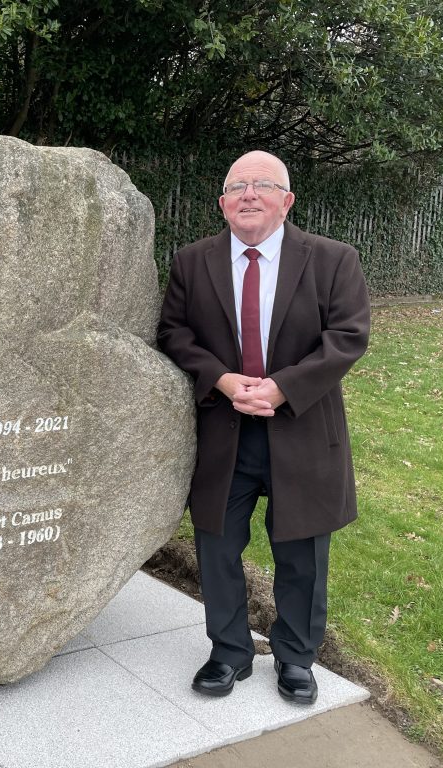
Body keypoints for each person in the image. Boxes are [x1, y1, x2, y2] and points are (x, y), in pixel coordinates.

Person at [157, 151, 370, 704]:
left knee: (301, 552)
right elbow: (175, 333)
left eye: (262, 185)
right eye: (237, 186)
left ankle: (297, 656)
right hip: (224, 432)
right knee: (217, 545)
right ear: (223, 203)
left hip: (300, 427)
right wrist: (223, 380)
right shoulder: (192, 261)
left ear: (287, 200)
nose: (248, 194)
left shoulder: (333, 260)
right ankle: (228, 652)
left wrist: (282, 387)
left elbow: (347, 336)